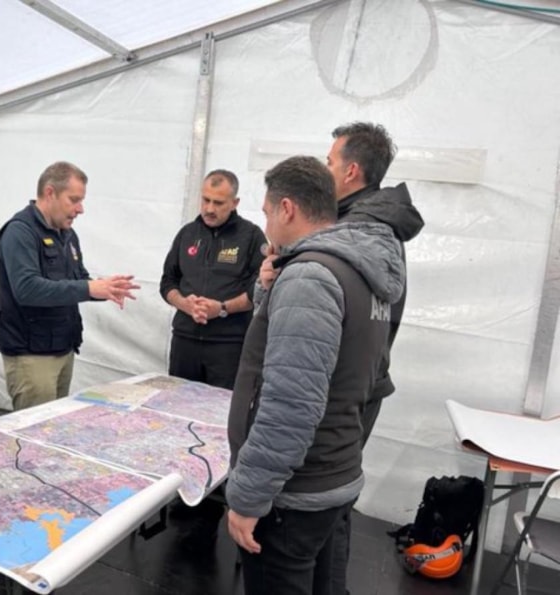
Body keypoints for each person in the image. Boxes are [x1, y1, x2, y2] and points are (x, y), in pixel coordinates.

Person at [226, 156, 405, 595]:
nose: (266, 225)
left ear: (287, 208)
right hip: (334, 471)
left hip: (295, 491)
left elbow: (290, 405)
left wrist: (249, 496)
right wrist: (270, 288)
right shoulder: (357, 270)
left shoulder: (310, 278)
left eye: (267, 212)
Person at [0, 161, 139, 410]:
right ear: (50, 192)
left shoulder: (67, 234)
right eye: (74, 200)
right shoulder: (20, 232)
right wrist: (89, 289)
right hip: (32, 355)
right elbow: (27, 289)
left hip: (63, 347)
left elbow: (78, 278)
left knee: (55, 424)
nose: (80, 209)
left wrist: (105, 288)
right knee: (35, 427)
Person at [326, 122, 424, 444]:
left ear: (351, 171)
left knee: (321, 471)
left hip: (341, 386)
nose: (324, 171)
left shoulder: (358, 232)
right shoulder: (376, 222)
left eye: (329, 162)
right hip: (362, 379)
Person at [160, 169, 266, 390]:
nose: (209, 209)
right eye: (205, 200)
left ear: (235, 203)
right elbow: (168, 282)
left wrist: (222, 308)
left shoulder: (251, 236)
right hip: (185, 341)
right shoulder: (187, 233)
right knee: (178, 403)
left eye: (218, 203)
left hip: (228, 345)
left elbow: (259, 289)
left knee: (222, 407)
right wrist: (184, 304)